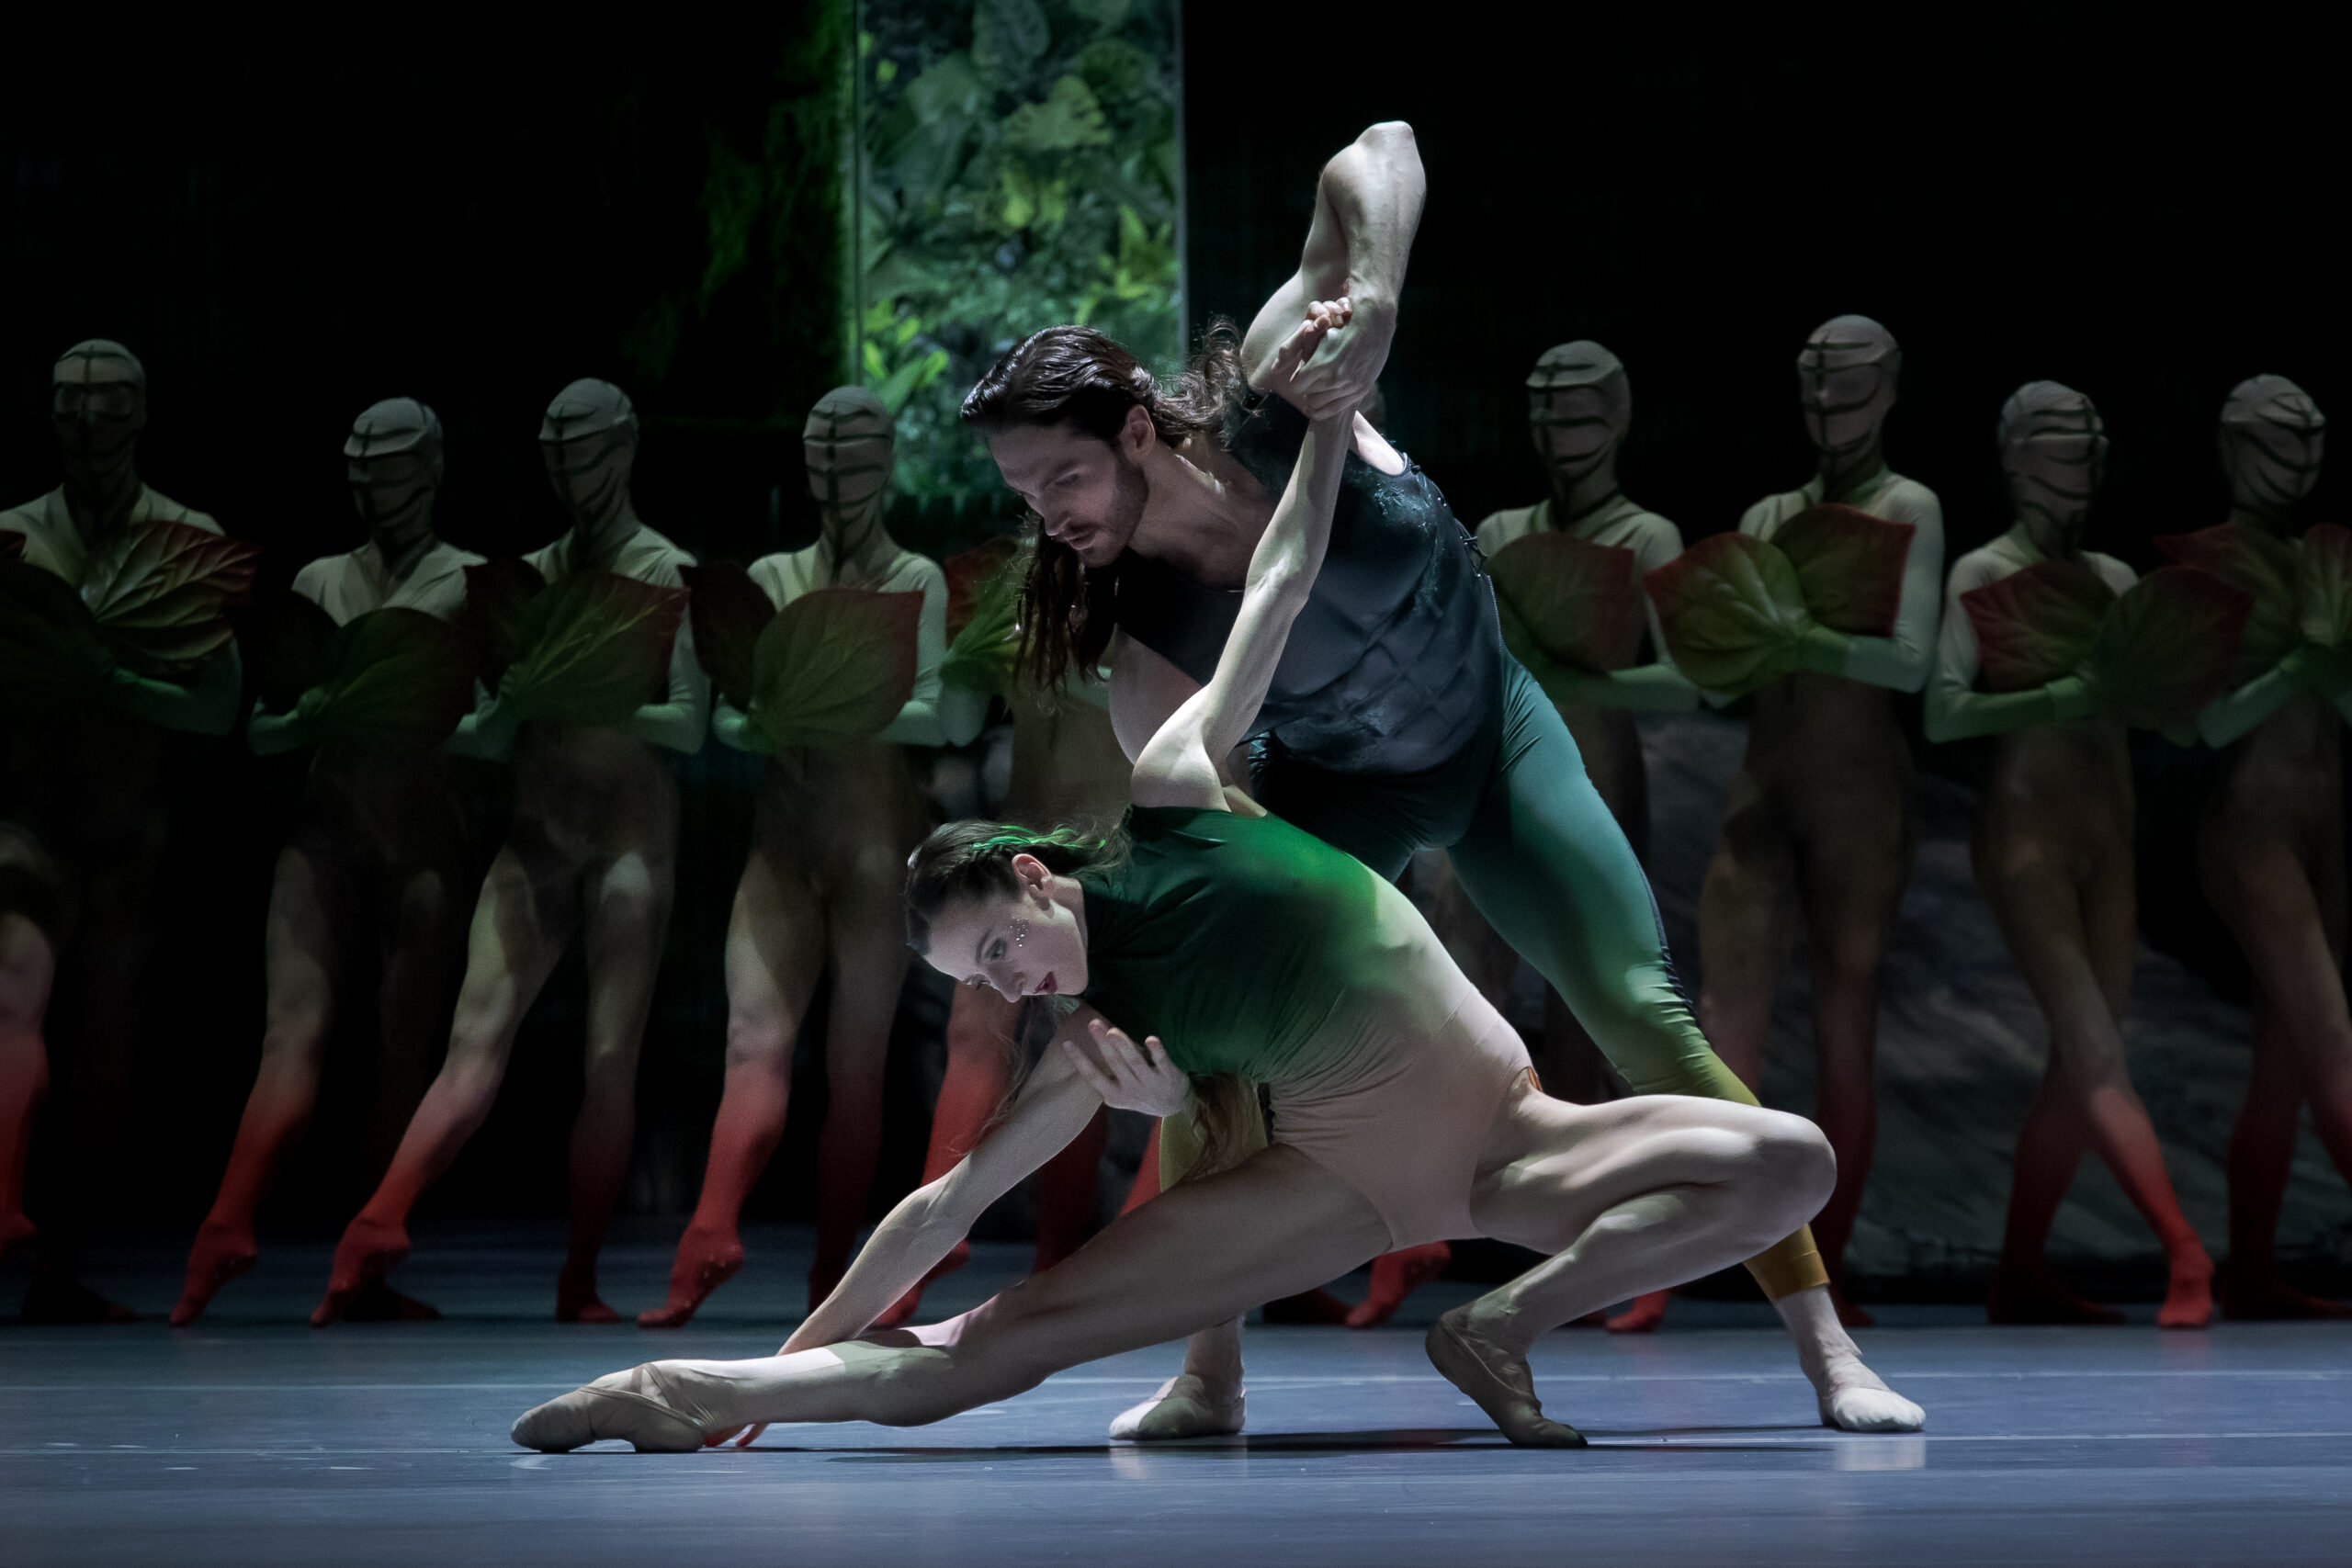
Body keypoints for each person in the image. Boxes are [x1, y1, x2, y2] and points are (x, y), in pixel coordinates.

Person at [510, 310, 1837, 1454]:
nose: (1007, 987)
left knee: (1789, 1160)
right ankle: (687, 1389)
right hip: (1334, 1190)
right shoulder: (1097, 1044)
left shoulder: (1181, 787)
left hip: (1504, 1143)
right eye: (980, 985)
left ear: (1032, 874)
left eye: (995, 953)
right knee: (998, 1344)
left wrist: (1332, 420)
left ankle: (1500, 1319)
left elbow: (1280, 579)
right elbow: (947, 1204)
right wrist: (791, 1353)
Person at [957, 123, 1920, 1433]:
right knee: (1222, 1051)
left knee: (1649, 1019)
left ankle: (1830, 1354)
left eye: (1063, 474)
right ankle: (1206, 1376)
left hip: (1499, 742)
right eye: (1025, 493)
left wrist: (1384, 293)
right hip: (1348, 795)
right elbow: (1217, 851)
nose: (1050, 513)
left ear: (1135, 427)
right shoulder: (1140, 646)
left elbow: (1381, 152)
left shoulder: (1272, 390)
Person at [313, 378, 708, 1325]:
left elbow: (690, 726)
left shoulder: (666, 570)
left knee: (608, 1057)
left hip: (625, 837)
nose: (576, 471)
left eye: (590, 450)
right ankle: (372, 1232)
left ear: (624, 448)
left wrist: (575, 697)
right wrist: (487, 706)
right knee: (470, 1046)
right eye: (559, 454)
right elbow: (488, 733)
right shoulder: (524, 578)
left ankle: (580, 1275)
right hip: (534, 836)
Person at [640, 388, 984, 1327]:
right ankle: (708, 1231)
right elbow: (728, 719)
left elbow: (946, 715)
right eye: (824, 459)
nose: (839, 478)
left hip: (876, 853)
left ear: (885, 465)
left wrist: (839, 703)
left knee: (854, 1066)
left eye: (858, 456)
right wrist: (783, 713)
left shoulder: (914, 578)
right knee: (753, 1043)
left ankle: (834, 1269)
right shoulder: (775, 576)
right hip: (782, 849)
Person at [172, 398, 482, 1325]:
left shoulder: (467, 579)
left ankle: (366, 1270)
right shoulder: (321, 579)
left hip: (425, 834)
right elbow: (262, 730)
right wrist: (315, 715)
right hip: (329, 828)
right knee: (290, 1036)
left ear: (426, 473)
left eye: (388, 469)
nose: (372, 489)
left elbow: (496, 729)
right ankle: (224, 1225)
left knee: (400, 1048)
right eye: (360, 472)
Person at [1923, 382, 2211, 1327]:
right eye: (2055, 447)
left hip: (2107, 832)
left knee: (2084, 1058)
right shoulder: (1980, 571)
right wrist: (2060, 695)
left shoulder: (2116, 579)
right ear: (2014, 459)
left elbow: (2166, 706)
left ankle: (2017, 1268)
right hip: (2027, 836)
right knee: (2091, 1049)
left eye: (2087, 448)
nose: (2075, 465)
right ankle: (2185, 1252)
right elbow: (1945, 709)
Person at [1694, 315, 1944, 1325]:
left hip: (1857, 794)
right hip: (1764, 786)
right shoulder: (1769, 512)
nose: (1831, 406)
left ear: (1888, 392)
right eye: (1816, 388)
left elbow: (1911, 659)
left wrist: (1796, 635)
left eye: (1850, 387)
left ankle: (1819, 1262)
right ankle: (1704, 1248)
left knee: (1847, 1016)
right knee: (1721, 1025)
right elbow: (1722, 666)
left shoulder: (1909, 504)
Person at [1, 339, 243, 1322]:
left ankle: (60, 1267)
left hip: (129, 832)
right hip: (26, 823)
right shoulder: (12, 535)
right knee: (12, 998)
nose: (89, 424)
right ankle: (7, 1200)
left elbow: (218, 705)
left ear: (140, 416)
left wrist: (114, 683)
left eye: (107, 406)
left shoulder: (183, 536)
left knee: (106, 1063)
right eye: (70, 406)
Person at [870, 635, 1136, 1331]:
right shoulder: (1017, 613)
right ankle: (926, 1246)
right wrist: (967, 658)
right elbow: (956, 721)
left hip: (1099, 852)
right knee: (975, 1031)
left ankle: (1054, 1260)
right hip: (1011, 850)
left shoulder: (1134, 608)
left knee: (1085, 1052)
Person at [2186, 376, 2352, 1319]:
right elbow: (2203, 724)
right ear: (2237, 447)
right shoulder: (2212, 566)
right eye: (2283, 438)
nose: (2302, 455)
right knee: (2329, 1041)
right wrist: (2301, 659)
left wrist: (2326, 662)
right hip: (2252, 821)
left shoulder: (2320, 563)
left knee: (2284, 1061)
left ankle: (2250, 1267)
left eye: (2313, 437)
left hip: (2324, 819)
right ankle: (2243, 1264)